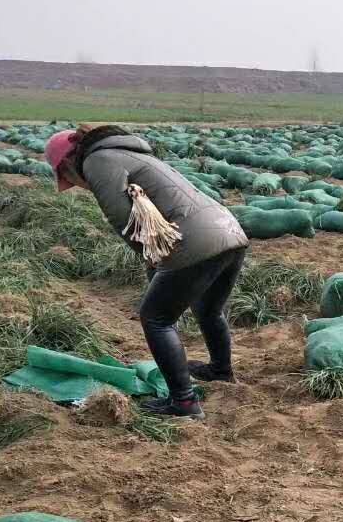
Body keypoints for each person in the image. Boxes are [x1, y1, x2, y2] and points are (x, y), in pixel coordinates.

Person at [46, 125, 248, 420]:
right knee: (209, 310)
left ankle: (183, 402)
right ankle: (220, 370)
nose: (77, 184)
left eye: (68, 178)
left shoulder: (96, 160)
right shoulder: (129, 152)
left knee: (155, 318)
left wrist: (152, 256)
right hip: (230, 231)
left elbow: (122, 215)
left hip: (194, 239)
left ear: (67, 163)